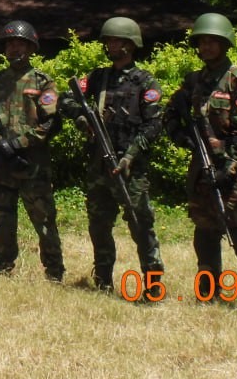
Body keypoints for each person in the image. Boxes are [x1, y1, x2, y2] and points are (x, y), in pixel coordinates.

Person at [165, 13, 237, 303]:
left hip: (231, 172)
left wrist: (228, 169)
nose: (207, 47)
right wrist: (184, 139)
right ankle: (208, 292)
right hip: (201, 171)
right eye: (202, 42)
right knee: (205, 233)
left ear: (225, 44)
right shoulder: (194, 81)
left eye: (213, 42)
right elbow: (170, 116)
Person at [59, 16, 164, 292]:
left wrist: (129, 156)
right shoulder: (98, 78)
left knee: (142, 227)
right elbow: (65, 100)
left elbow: (154, 125)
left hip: (130, 169)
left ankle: (153, 285)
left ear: (130, 45)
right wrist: (84, 119)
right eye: (108, 41)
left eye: (115, 40)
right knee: (99, 225)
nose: (110, 45)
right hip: (99, 165)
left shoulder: (145, 83)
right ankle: (103, 280)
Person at [0, 20, 65, 281]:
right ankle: (3, 269)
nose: (15, 48)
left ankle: (55, 273)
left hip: (32, 165)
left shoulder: (43, 82)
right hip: (0, 166)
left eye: (20, 44)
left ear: (31, 48)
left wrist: (18, 143)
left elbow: (51, 122)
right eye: (10, 44)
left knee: (44, 220)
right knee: (3, 221)